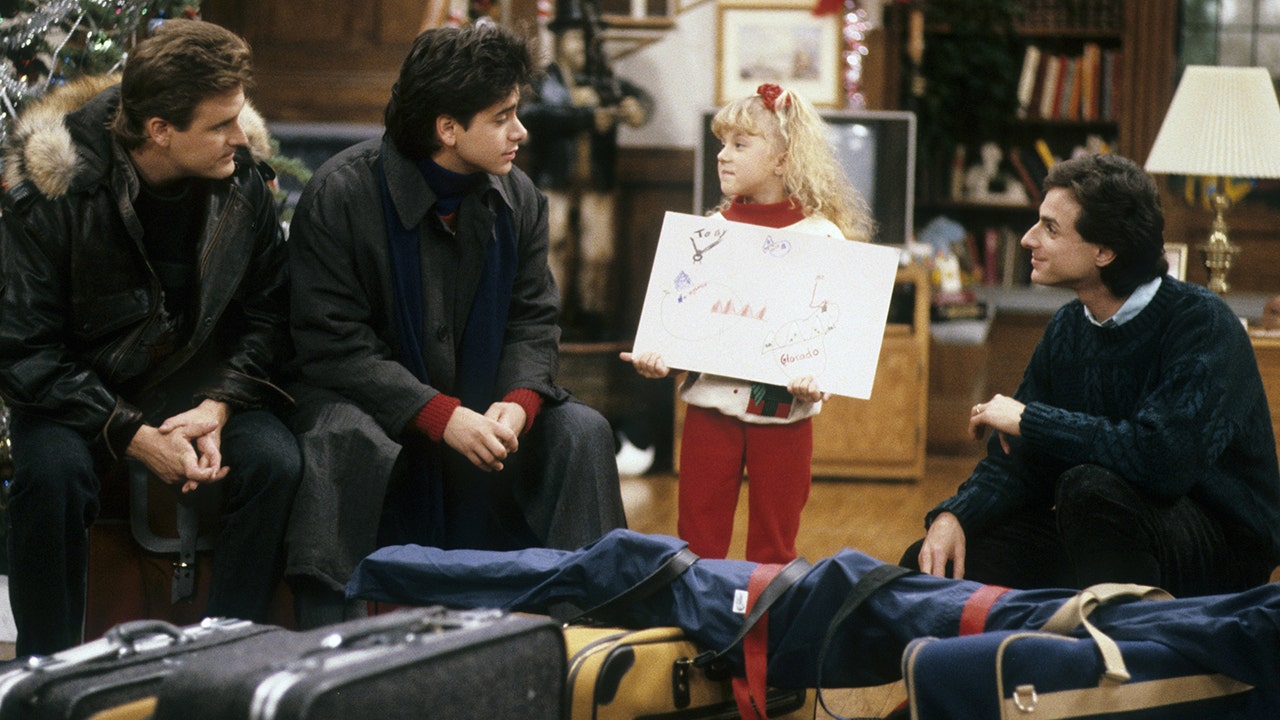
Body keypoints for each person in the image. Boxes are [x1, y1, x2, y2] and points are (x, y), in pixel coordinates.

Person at [284, 21, 628, 628]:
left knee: (582, 430)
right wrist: (440, 416)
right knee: (344, 439)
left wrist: (519, 403)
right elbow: (333, 346)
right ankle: (337, 651)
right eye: (502, 117)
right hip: (375, 407)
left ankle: (589, 642)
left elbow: (534, 320)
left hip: (487, 414)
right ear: (447, 129)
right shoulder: (340, 194)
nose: (521, 131)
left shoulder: (518, 196)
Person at [0, 20, 301, 656]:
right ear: (160, 131)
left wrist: (220, 405)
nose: (241, 137)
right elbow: (25, 354)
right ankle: (46, 673)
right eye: (220, 124)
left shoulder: (242, 182)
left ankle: (226, 658)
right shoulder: (54, 193)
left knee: (274, 461)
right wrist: (134, 435)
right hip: (79, 399)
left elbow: (269, 318)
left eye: (238, 116)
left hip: (198, 392)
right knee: (51, 474)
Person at [902, 153, 1280, 596]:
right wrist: (956, 515)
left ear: (1104, 251)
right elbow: (1020, 464)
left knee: (1089, 489)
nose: (1027, 239)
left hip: (1220, 548)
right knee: (929, 565)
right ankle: (1013, 659)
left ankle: (1124, 656)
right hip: (1108, 526)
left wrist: (1030, 420)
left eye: (1050, 228)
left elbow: (1162, 461)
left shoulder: (1203, 323)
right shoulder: (1068, 327)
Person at [621, 84, 874, 563]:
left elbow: (832, 335)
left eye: (740, 144)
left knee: (774, 547)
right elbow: (688, 328)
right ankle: (696, 634)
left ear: (782, 159)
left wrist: (819, 374)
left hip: (783, 414)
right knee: (696, 540)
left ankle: (762, 639)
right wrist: (661, 359)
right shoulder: (708, 234)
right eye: (721, 143)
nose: (723, 156)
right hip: (708, 410)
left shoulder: (822, 237)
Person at [520, 0, 651, 339]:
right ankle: (552, 316)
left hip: (596, 180)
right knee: (554, 244)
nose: (582, 46)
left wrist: (635, 108)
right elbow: (531, 116)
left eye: (588, 38)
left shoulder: (604, 80)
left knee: (599, 252)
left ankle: (593, 317)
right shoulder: (543, 82)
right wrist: (586, 118)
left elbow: (641, 102)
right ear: (560, 39)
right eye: (576, 37)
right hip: (555, 179)